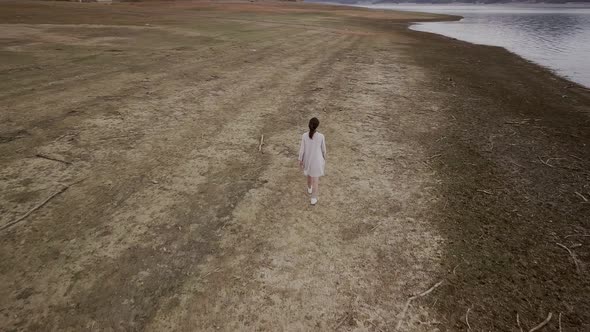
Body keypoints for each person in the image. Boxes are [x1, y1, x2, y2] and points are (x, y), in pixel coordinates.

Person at [298, 117, 326, 205]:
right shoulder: (321, 136)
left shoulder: (304, 136)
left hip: (307, 159)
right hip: (317, 161)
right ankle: (313, 198)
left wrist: (300, 159)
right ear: (317, 126)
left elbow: (302, 149)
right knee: (316, 180)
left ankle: (309, 188)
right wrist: (324, 157)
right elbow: (323, 150)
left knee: (309, 175)